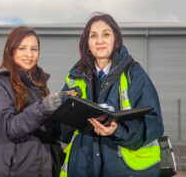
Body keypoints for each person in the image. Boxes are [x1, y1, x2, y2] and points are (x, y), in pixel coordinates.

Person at [60, 13, 164, 177]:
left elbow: (153, 124)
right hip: (81, 168)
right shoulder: (74, 77)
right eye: (93, 36)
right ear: (87, 43)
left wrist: (117, 131)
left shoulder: (134, 74)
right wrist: (59, 111)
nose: (99, 40)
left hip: (123, 170)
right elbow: (62, 131)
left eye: (106, 34)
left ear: (116, 39)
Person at [0, 26, 64, 177]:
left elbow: (47, 131)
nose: (29, 54)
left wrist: (69, 113)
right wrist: (43, 108)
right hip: (14, 170)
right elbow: (8, 127)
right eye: (22, 48)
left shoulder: (38, 85)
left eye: (34, 49)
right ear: (10, 50)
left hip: (44, 169)